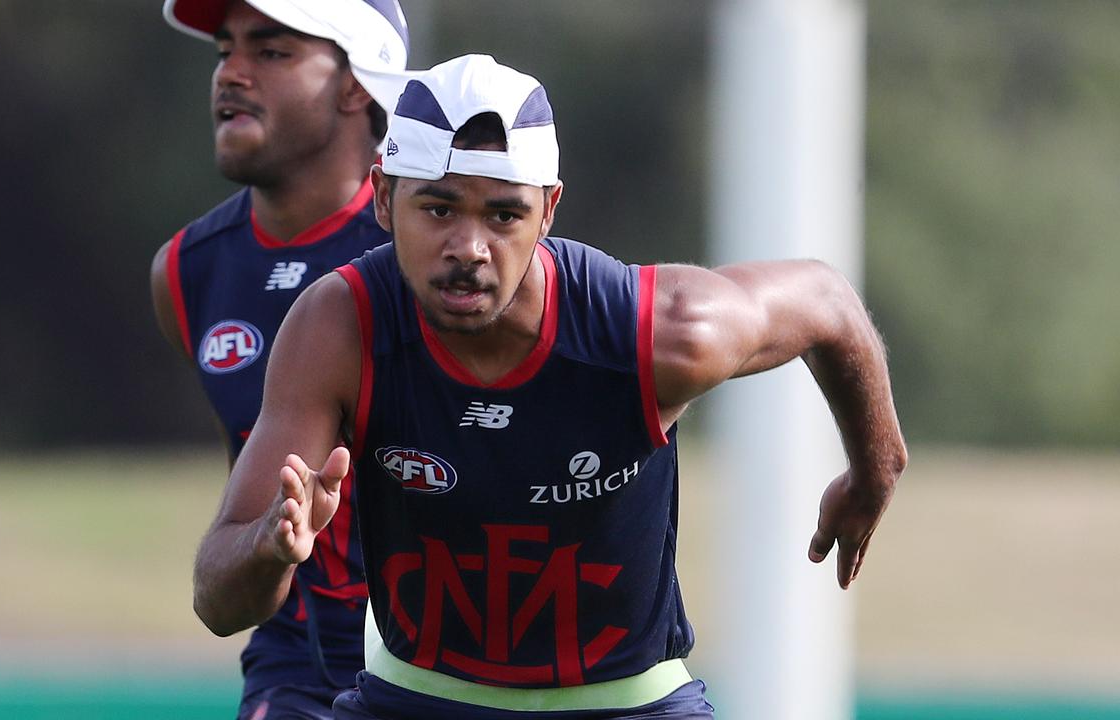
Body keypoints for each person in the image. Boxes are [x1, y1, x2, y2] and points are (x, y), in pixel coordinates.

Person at [197, 54, 908, 719]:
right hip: (413, 700)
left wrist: (874, 470)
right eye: (438, 208)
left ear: (549, 210)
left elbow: (825, 300)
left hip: (628, 704)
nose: (468, 249)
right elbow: (217, 602)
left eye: (503, 214)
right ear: (383, 198)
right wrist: (269, 547)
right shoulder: (337, 327)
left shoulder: (660, 332)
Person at [149, 1, 413, 717]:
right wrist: (267, 545)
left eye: (270, 51)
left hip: (453, 673)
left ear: (357, 84)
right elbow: (246, 501)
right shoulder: (186, 270)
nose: (229, 73)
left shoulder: (438, 262)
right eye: (223, 51)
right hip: (294, 669)